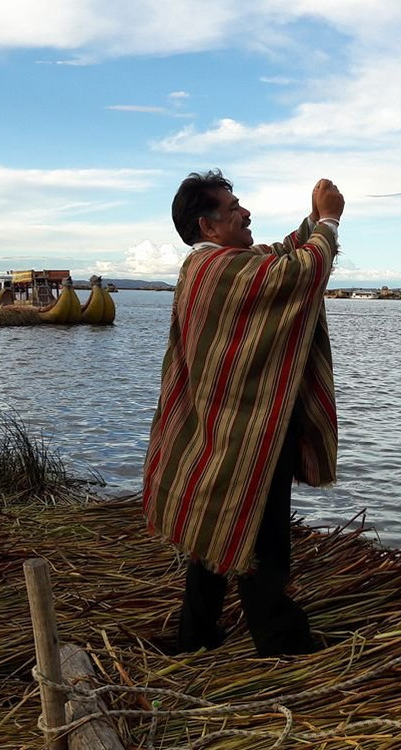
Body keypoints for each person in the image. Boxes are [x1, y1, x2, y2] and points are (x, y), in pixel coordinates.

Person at [143, 170, 344, 656]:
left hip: (223, 430)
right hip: (248, 434)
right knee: (265, 534)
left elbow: (275, 254)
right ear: (208, 226)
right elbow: (298, 271)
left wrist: (312, 219)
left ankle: (198, 634)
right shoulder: (219, 271)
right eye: (234, 207)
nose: (246, 211)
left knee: (217, 522)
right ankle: (280, 642)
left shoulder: (212, 264)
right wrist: (331, 223)